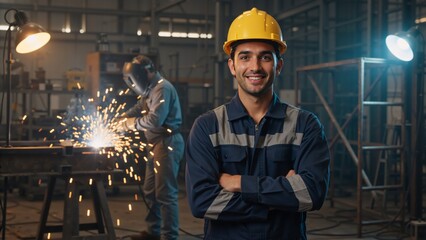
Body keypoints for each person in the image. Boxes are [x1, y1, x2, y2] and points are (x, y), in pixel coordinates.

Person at [185, 8, 330, 240]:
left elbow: (312, 195)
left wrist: (238, 183)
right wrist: (280, 197)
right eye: (245, 57)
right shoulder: (208, 127)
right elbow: (202, 202)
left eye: (265, 57)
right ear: (232, 66)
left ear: (279, 65)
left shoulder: (305, 125)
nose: (255, 67)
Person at [117, 55, 184, 240]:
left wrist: (128, 124)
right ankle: (153, 232)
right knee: (149, 191)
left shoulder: (163, 88)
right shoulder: (150, 88)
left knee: (165, 194)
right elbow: (140, 106)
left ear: (145, 72)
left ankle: (169, 236)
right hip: (154, 144)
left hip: (167, 143)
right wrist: (122, 118)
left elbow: (155, 120)